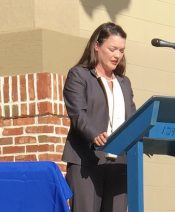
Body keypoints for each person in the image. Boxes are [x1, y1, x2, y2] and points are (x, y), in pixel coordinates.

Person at [62, 22, 136, 212]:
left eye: (121, 50)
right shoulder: (79, 75)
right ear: (97, 45)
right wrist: (95, 134)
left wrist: (144, 136)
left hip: (119, 164)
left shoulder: (124, 83)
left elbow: (133, 119)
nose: (117, 55)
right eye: (112, 49)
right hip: (87, 161)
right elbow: (78, 113)